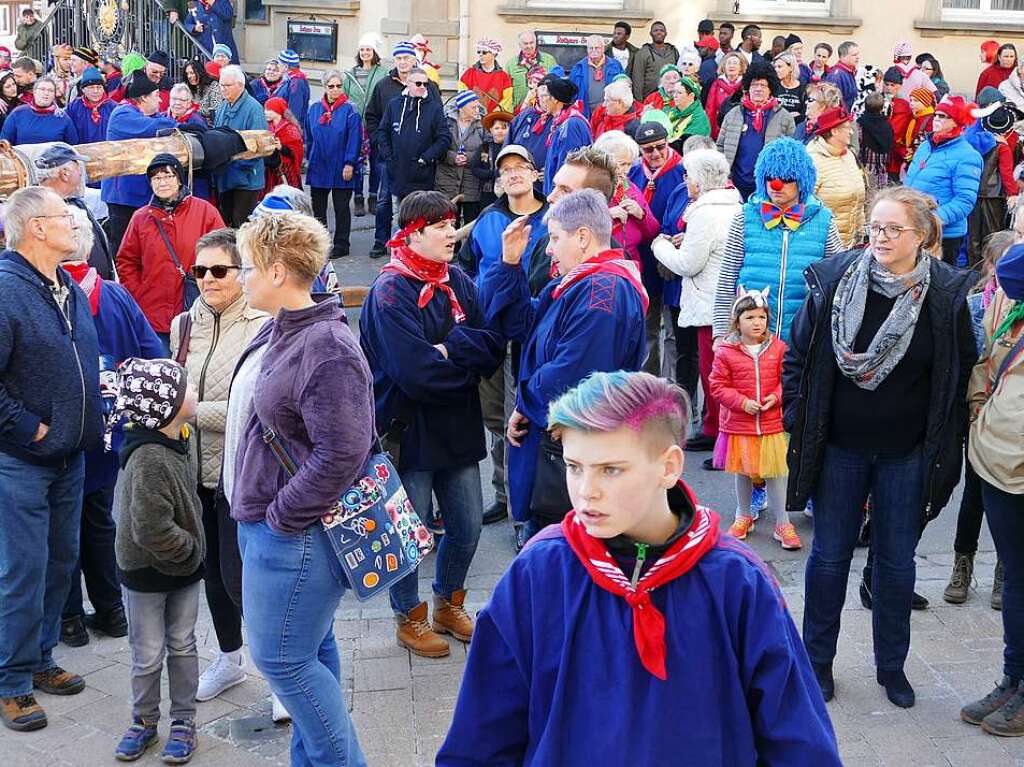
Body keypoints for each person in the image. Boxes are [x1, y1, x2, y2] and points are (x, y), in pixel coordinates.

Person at [435, 370, 843, 767]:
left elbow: (799, 742)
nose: (585, 490)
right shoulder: (538, 574)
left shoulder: (739, 581)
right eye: (574, 466)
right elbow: (480, 739)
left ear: (669, 467)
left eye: (611, 469)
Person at [786, 185, 977, 708]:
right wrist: (794, 418)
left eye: (895, 229)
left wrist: (945, 444)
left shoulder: (944, 295)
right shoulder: (834, 282)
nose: (882, 237)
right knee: (827, 559)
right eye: (876, 226)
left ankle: (891, 667)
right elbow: (797, 357)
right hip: (840, 450)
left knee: (895, 565)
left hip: (907, 455)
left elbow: (958, 374)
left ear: (922, 237)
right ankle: (817, 663)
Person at [231, 212, 372, 767]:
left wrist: (282, 516)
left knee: (283, 661)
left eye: (246, 268)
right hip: (270, 526)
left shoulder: (326, 345)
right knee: (310, 650)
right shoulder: (283, 327)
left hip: (295, 537)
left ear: (278, 271)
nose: (241, 278)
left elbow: (344, 449)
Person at [359, 191, 502, 656]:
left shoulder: (459, 280)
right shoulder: (389, 291)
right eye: (441, 226)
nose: (451, 233)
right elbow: (414, 374)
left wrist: (450, 347)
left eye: (452, 223)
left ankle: (448, 601)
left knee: (467, 526)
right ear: (414, 232)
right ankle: (409, 616)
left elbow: (492, 348)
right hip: (409, 431)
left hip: (457, 427)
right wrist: (463, 353)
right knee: (409, 534)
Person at [482, 189, 648, 541]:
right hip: (563, 452)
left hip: (574, 460)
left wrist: (525, 402)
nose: (549, 249)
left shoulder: (602, 292)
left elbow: (574, 375)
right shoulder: (580, 282)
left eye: (556, 238)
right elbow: (523, 326)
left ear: (584, 237)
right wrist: (510, 266)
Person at [0, 187, 101, 733]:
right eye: (65, 215)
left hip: (70, 455)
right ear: (36, 228)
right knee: (22, 570)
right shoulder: (5, 290)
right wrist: (30, 428)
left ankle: (39, 659)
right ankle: (11, 680)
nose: (74, 221)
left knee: (61, 561)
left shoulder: (66, 285)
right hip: (22, 460)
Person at [167, 228, 268, 703]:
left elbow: (251, 407)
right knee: (211, 574)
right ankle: (229, 659)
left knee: (241, 575)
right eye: (199, 270)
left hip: (241, 473)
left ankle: (278, 670)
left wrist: (189, 411)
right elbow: (176, 390)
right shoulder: (184, 325)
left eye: (218, 270)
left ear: (240, 271)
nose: (207, 279)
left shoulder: (261, 323)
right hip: (193, 473)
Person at [55, 206, 161, 650]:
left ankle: (70, 619)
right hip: (110, 428)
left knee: (62, 525)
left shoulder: (51, 296)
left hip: (62, 427)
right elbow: (153, 353)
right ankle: (113, 609)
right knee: (100, 519)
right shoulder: (115, 296)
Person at [103, 357, 202, 763]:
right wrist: (193, 550)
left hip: (182, 569)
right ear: (165, 404)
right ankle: (144, 722)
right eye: (186, 389)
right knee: (147, 651)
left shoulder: (183, 435)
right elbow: (151, 529)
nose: (194, 393)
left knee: (183, 643)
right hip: (146, 569)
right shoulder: (147, 458)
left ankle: (184, 722)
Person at [960, 244, 1024, 737]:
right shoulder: (1011, 302)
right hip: (998, 467)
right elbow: (987, 361)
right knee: (1019, 583)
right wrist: (980, 411)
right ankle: (1014, 677)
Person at [652, 147, 739, 455]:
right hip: (724, 298)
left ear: (700, 180)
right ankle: (715, 428)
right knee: (719, 369)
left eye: (688, 175)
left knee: (712, 371)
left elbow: (688, 263)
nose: (685, 179)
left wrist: (660, 245)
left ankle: (715, 431)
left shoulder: (705, 212)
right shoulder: (731, 204)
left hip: (708, 302)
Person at [713, 137, 842, 345]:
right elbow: (727, 277)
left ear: (802, 181)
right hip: (750, 341)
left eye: (786, 178)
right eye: (770, 177)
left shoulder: (823, 221)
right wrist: (720, 332)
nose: (776, 185)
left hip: (803, 341)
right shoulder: (744, 217)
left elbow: (838, 282)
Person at [943, 230, 1013, 607]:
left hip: (1011, 421)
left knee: (1011, 495)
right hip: (979, 411)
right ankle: (962, 563)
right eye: (999, 268)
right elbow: (967, 360)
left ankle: (1006, 568)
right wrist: (974, 405)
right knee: (974, 493)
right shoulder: (973, 307)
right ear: (988, 267)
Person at [710, 288, 800, 549]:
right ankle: (743, 514)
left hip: (772, 424)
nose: (757, 322)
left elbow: (788, 379)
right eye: (749, 317)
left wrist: (776, 396)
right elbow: (717, 385)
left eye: (761, 317)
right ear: (737, 320)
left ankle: (782, 522)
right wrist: (742, 402)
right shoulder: (726, 351)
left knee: (776, 473)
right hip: (740, 423)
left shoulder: (779, 348)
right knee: (744, 472)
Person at [117, 154, 226, 348]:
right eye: (156, 178)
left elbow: (223, 256)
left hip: (196, 308)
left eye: (168, 176)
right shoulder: (140, 218)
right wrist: (138, 292)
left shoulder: (205, 212)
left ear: (179, 178)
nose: (162, 182)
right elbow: (127, 260)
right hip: (153, 313)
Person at [366, 42, 442, 258]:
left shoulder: (429, 87)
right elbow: (373, 117)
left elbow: (437, 120)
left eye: (406, 58)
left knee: (414, 206)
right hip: (390, 157)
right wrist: (382, 147)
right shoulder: (384, 86)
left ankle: (413, 248)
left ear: (413, 60)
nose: (402, 62)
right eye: (398, 59)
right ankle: (381, 241)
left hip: (418, 164)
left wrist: (426, 157)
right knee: (384, 202)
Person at [630, 119, 684, 376]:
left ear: (668, 143)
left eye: (660, 147)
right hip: (644, 261)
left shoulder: (682, 171)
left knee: (674, 331)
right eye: (647, 150)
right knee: (648, 328)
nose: (655, 154)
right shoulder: (634, 173)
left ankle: (674, 388)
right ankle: (650, 386)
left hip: (674, 261)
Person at [101, 72, 177, 255]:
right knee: (123, 248)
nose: (160, 101)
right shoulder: (122, 114)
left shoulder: (138, 113)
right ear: (143, 98)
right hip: (122, 197)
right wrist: (174, 122)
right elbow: (155, 127)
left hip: (136, 194)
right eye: (156, 96)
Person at [905, 95, 984, 266]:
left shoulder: (968, 155)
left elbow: (965, 201)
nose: (936, 119)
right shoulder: (926, 145)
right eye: (936, 114)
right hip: (914, 227)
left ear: (956, 121)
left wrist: (933, 219)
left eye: (943, 116)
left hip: (944, 236)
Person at [716, 61, 796, 200]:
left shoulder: (784, 117)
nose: (758, 89)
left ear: (770, 88)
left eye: (763, 85)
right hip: (735, 185)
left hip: (768, 187)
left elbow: (791, 153)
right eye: (754, 85)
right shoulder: (733, 114)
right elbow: (720, 146)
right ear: (748, 87)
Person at [303, 69, 360, 261]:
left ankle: (342, 243)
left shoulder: (350, 110)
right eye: (331, 86)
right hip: (319, 162)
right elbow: (308, 136)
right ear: (325, 87)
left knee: (341, 207)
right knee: (318, 207)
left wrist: (349, 163)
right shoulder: (314, 109)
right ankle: (321, 242)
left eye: (338, 86)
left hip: (341, 163)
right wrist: (308, 157)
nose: (335, 90)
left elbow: (354, 139)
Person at [36, 144, 115, 280]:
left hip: (96, 289)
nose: (80, 172)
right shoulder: (41, 211)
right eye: (77, 166)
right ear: (65, 174)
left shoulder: (77, 203)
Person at [377, 67, 451, 206]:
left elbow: (444, 138)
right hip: (397, 170)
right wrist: (389, 156)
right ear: (407, 83)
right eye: (418, 83)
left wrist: (425, 158)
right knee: (397, 215)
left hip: (422, 174)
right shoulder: (394, 104)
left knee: (418, 217)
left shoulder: (434, 108)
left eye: (425, 84)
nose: (422, 87)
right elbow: (382, 132)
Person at [594, 130, 659, 268]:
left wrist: (641, 214)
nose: (626, 170)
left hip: (631, 264)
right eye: (622, 164)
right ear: (604, 161)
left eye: (629, 164)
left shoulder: (629, 187)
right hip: (602, 266)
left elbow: (653, 231)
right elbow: (575, 228)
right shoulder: (589, 188)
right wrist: (607, 214)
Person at [213, 66, 268, 227]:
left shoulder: (254, 108)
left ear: (240, 85)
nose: (223, 89)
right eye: (221, 85)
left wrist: (234, 164)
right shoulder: (223, 105)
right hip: (225, 175)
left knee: (242, 225)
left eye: (227, 85)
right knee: (226, 221)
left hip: (246, 178)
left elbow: (258, 146)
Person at [808, 107, 865, 249]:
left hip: (850, 245)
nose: (851, 132)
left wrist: (861, 233)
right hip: (823, 246)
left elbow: (858, 201)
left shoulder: (849, 155)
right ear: (834, 131)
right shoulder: (813, 160)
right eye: (847, 128)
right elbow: (804, 206)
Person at [343, 34, 387, 217]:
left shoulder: (382, 73)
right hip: (355, 126)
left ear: (374, 52)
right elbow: (345, 98)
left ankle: (373, 197)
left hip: (375, 124)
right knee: (357, 163)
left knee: (376, 163)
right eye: (362, 50)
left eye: (368, 49)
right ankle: (358, 197)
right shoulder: (350, 75)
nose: (365, 53)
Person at [438, 90, 486, 228]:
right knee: (449, 221)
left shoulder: (482, 124)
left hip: (471, 180)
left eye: (478, 106)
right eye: (473, 107)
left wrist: (470, 158)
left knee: (471, 223)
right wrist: (453, 157)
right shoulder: (446, 122)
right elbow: (438, 146)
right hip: (447, 179)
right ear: (462, 107)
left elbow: (486, 148)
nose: (477, 110)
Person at [541, 76, 592, 196]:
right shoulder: (562, 122)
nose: (543, 100)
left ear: (555, 99)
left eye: (546, 96)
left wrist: (557, 194)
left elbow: (568, 166)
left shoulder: (571, 125)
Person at [1, 77, 78, 145]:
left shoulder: (63, 118)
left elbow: (73, 146)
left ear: (54, 95)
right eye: (42, 89)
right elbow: (4, 144)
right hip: (23, 159)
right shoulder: (17, 113)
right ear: (34, 92)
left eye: (50, 90)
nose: (46, 93)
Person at [570, 35, 624, 120]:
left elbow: (623, 89)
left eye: (597, 48)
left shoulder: (616, 65)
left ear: (603, 48)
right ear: (587, 50)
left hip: (609, 113)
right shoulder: (578, 68)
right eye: (591, 48)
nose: (594, 51)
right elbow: (571, 94)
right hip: (585, 114)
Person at [506, 30, 558, 111]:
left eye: (532, 42)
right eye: (525, 43)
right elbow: (507, 92)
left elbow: (557, 86)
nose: (529, 46)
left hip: (544, 110)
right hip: (519, 111)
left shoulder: (549, 60)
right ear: (519, 45)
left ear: (536, 43)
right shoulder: (511, 64)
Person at [470, 110, 511, 209]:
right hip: (488, 192)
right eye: (497, 128)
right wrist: (493, 174)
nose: (500, 131)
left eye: (503, 128)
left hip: (509, 190)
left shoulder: (512, 147)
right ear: (491, 130)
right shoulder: (485, 147)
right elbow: (475, 168)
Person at [459, 39, 512, 114]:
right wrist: (471, 110)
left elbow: (507, 99)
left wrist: (495, 113)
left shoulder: (504, 76)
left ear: (493, 54)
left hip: (494, 119)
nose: (480, 54)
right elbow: (462, 94)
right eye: (478, 52)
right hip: (473, 117)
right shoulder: (469, 73)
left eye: (484, 52)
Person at [262, 96, 303, 193]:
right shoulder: (267, 126)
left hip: (286, 170)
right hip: (269, 170)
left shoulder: (290, 128)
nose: (265, 112)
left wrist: (281, 147)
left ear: (277, 110)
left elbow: (297, 151)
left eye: (268, 110)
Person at [66, 67, 114, 146]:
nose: (95, 91)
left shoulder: (112, 108)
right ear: (83, 90)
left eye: (99, 87)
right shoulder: (74, 107)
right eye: (91, 87)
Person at [632, 21, 680, 100]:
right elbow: (638, 78)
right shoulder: (643, 52)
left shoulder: (673, 51)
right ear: (651, 33)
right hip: (650, 98)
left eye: (662, 30)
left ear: (666, 33)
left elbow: (679, 74)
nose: (659, 33)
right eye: (655, 30)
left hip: (671, 96)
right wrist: (639, 101)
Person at [704, 51, 746, 139]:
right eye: (729, 63)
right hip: (719, 129)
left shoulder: (745, 86)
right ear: (724, 67)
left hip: (740, 129)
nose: (731, 66)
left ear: (741, 68)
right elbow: (710, 109)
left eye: (735, 63)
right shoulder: (716, 84)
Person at [859, 92, 895, 191]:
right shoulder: (887, 125)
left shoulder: (861, 124)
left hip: (865, 168)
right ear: (882, 108)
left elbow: (858, 144)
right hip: (883, 170)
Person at [182, 58, 222, 124]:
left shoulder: (213, 85)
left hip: (209, 125)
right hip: (190, 123)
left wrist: (192, 111)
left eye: (192, 73)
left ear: (200, 72)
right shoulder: (188, 88)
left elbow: (216, 109)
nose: (189, 76)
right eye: (187, 73)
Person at [276, 49, 311, 123]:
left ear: (285, 67)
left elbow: (294, 113)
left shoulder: (296, 83)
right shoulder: (290, 80)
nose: (277, 66)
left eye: (278, 63)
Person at [825, 41, 859, 112]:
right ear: (842, 56)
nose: (858, 57)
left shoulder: (849, 72)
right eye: (854, 55)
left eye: (858, 54)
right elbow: (832, 104)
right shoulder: (836, 76)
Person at [773, 52, 806, 124]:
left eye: (779, 67)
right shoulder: (774, 86)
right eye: (775, 67)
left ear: (791, 67)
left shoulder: (803, 89)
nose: (776, 70)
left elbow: (805, 114)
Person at [607, 21, 639, 91]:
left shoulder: (635, 53)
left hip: (629, 90)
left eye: (619, 34)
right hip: (610, 90)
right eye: (614, 33)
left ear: (627, 36)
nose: (615, 36)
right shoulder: (605, 52)